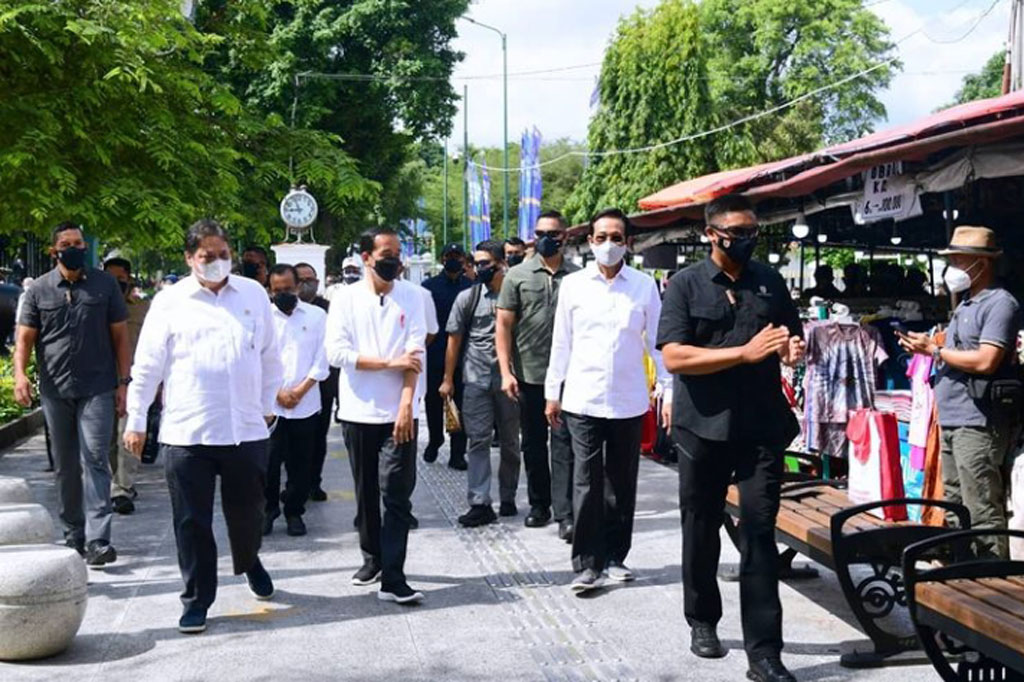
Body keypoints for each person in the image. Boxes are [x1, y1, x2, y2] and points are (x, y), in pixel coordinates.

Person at [657, 194, 804, 682]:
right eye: (736, 232)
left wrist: (792, 349)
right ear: (712, 234)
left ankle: (765, 654)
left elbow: (789, 336)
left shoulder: (770, 280)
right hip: (702, 427)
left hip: (761, 426)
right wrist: (741, 353)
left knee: (759, 535)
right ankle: (702, 618)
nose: (745, 240)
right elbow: (675, 357)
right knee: (700, 527)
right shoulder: (684, 285)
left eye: (752, 232)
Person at [124, 219, 282, 634]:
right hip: (187, 431)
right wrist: (137, 420)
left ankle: (249, 560)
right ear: (189, 258)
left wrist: (267, 407)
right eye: (207, 257)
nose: (217, 263)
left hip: (245, 428)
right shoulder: (170, 302)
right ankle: (197, 600)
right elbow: (147, 366)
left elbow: (269, 355)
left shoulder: (252, 295)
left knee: (248, 514)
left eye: (223, 255)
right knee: (192, 522)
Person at [545, 209, 670, 592]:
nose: (608, 245)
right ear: (589, 242)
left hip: (629, 399)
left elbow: (658, 342)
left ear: (628, 243)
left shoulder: (644, 286)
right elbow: (562, 341)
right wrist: (553, 391)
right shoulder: (574, 286)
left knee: (621, 481)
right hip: (582, 398)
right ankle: (586, 562)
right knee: (586, 480)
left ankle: (616, 555)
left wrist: (667, 386)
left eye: (616, 237)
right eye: (600, 237)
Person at [899, 226, 1021, 560]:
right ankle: (960, 573)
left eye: (958, 260)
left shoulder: (1000, 303)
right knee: (953, 502)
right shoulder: (966, 303)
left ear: (981, 263)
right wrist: (926, 348)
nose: (952, 266)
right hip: (954, 417)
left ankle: (992, 580)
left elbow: (986, 360)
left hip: (978, 421)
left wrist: (934, 352)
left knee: (981, 507)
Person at [14, 222, 130, 567]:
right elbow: (24, 339)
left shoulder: (105, 285)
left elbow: (121, 338)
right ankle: (73, 533)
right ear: (55, 251)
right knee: (65, 465)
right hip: (55, 390)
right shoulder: (39, 289)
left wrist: (124, 384)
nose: (74, 248)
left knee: (95, 458)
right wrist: (20, 375)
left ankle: (98, 539)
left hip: (98, 387)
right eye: (67, 243)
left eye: (79, 242)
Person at [325, 226, 426, 604]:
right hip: (356, 411)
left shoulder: (414, 297)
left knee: (397, 494)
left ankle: (394, 579)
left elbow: (415, 355)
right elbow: (336, 353)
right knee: (366, 491)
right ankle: (373, 557)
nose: (393, 260)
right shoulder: (345, 299)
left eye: (397, 253)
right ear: (366, 257)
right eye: (386, 253)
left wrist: (406, 406)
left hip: (399, 412)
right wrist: (387, 361)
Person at [497, 210, 580, 537]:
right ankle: (539, 504)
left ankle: (565, 512)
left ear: (565, 236)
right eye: (541, 232)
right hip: (529, 375)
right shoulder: (517, 275)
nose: (548, 238)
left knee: (564, 443)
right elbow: (503, 326)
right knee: (532, 443)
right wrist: (506, 371)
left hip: (568, 377)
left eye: (554, 233)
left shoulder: (577, 277)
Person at [441, 240, 521, 527]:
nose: (478, 268)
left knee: (511, 442)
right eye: (475, 263)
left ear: (501, 263)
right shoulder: (468, 297)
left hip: (510, 380)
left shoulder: (516, 294)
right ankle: (479, 501)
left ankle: (508, 496)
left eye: (484, 262)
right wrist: (448, 379)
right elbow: (454, 340)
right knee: (478, 440)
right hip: (475, 379)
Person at [264, 264, 329, 537]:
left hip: (306, 403)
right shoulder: (263, 317)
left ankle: (294, 511)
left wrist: (301, 390)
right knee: (268, 464)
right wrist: (278, 392)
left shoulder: (316, 316)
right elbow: (258, 358)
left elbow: (322, 358)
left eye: (287, 289)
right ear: (270, 290)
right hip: (270, 405)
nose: (283, 294)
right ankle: (267, 511)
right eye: (277, 290)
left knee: (301, 465)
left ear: (297, 287)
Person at [103, 257, 151, 515]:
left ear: (129, 279)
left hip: (133, 381)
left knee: (127, 434)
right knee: (108, 437)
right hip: (101, 380)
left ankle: (123, 487)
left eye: (120, 279)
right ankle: (115, 483)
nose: (115, 284)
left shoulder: (143, 309)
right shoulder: (98, 306)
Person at [421, 243, 472, 468]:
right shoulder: (428, 288)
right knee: (433, 402)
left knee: (460, 405)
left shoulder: (471, 287)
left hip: (463, 357)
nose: (453, 260)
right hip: (434, 354)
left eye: (457, 256)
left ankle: (457, 452)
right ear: (442, 259)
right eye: (449, 256)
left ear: (463, 260)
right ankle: (435, 439)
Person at [293, 262, 339, 502]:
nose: (306, 285)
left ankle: (314, 482)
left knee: (318, 437)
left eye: (311, 280)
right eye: (301, 280)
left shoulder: (326, 309)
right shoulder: (280, 309)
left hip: (322, 384)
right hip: (289, 388)